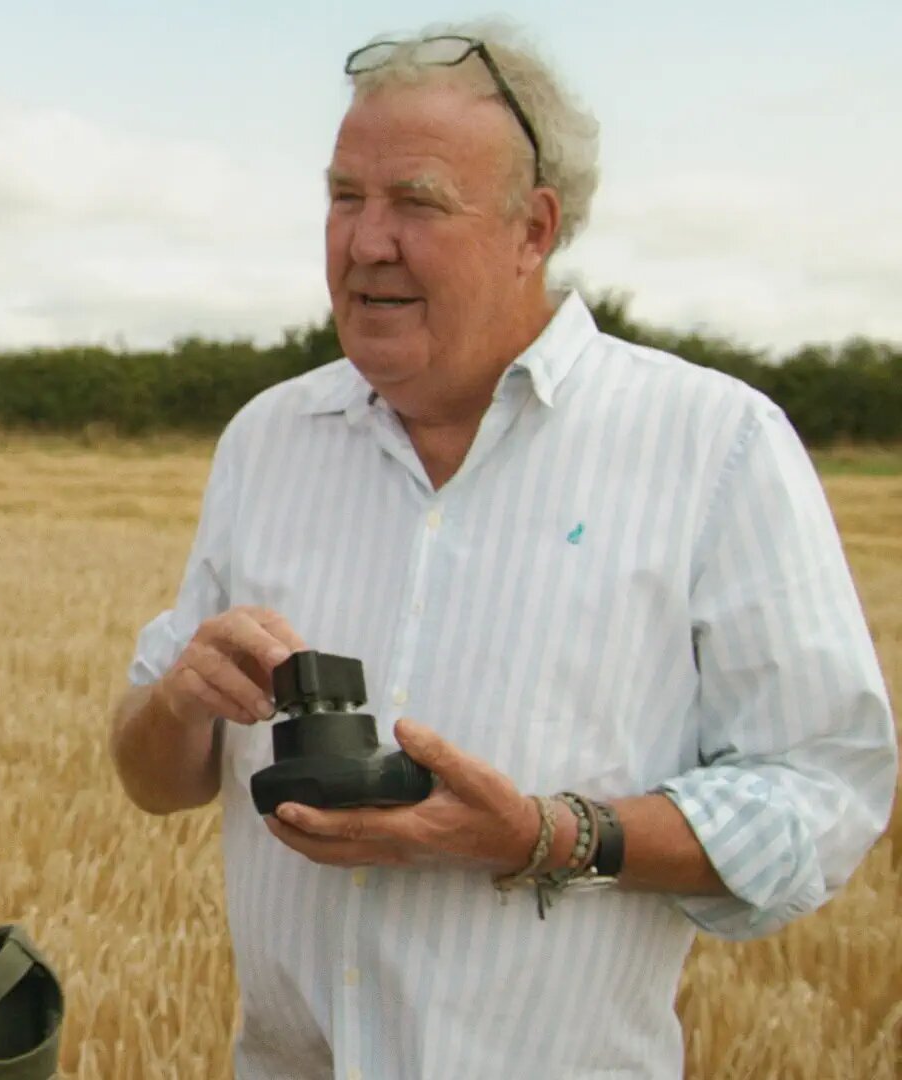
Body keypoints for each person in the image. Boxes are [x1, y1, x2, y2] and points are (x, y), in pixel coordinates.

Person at [109, 20, 896, 1080]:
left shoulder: (714, 443)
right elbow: (152, 778)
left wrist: (540, 834)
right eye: (346, 198)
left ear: (534, 229)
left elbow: (821, 791)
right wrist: (180, 702)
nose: (366, 241)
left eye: (417, 202)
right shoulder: (269, 438)